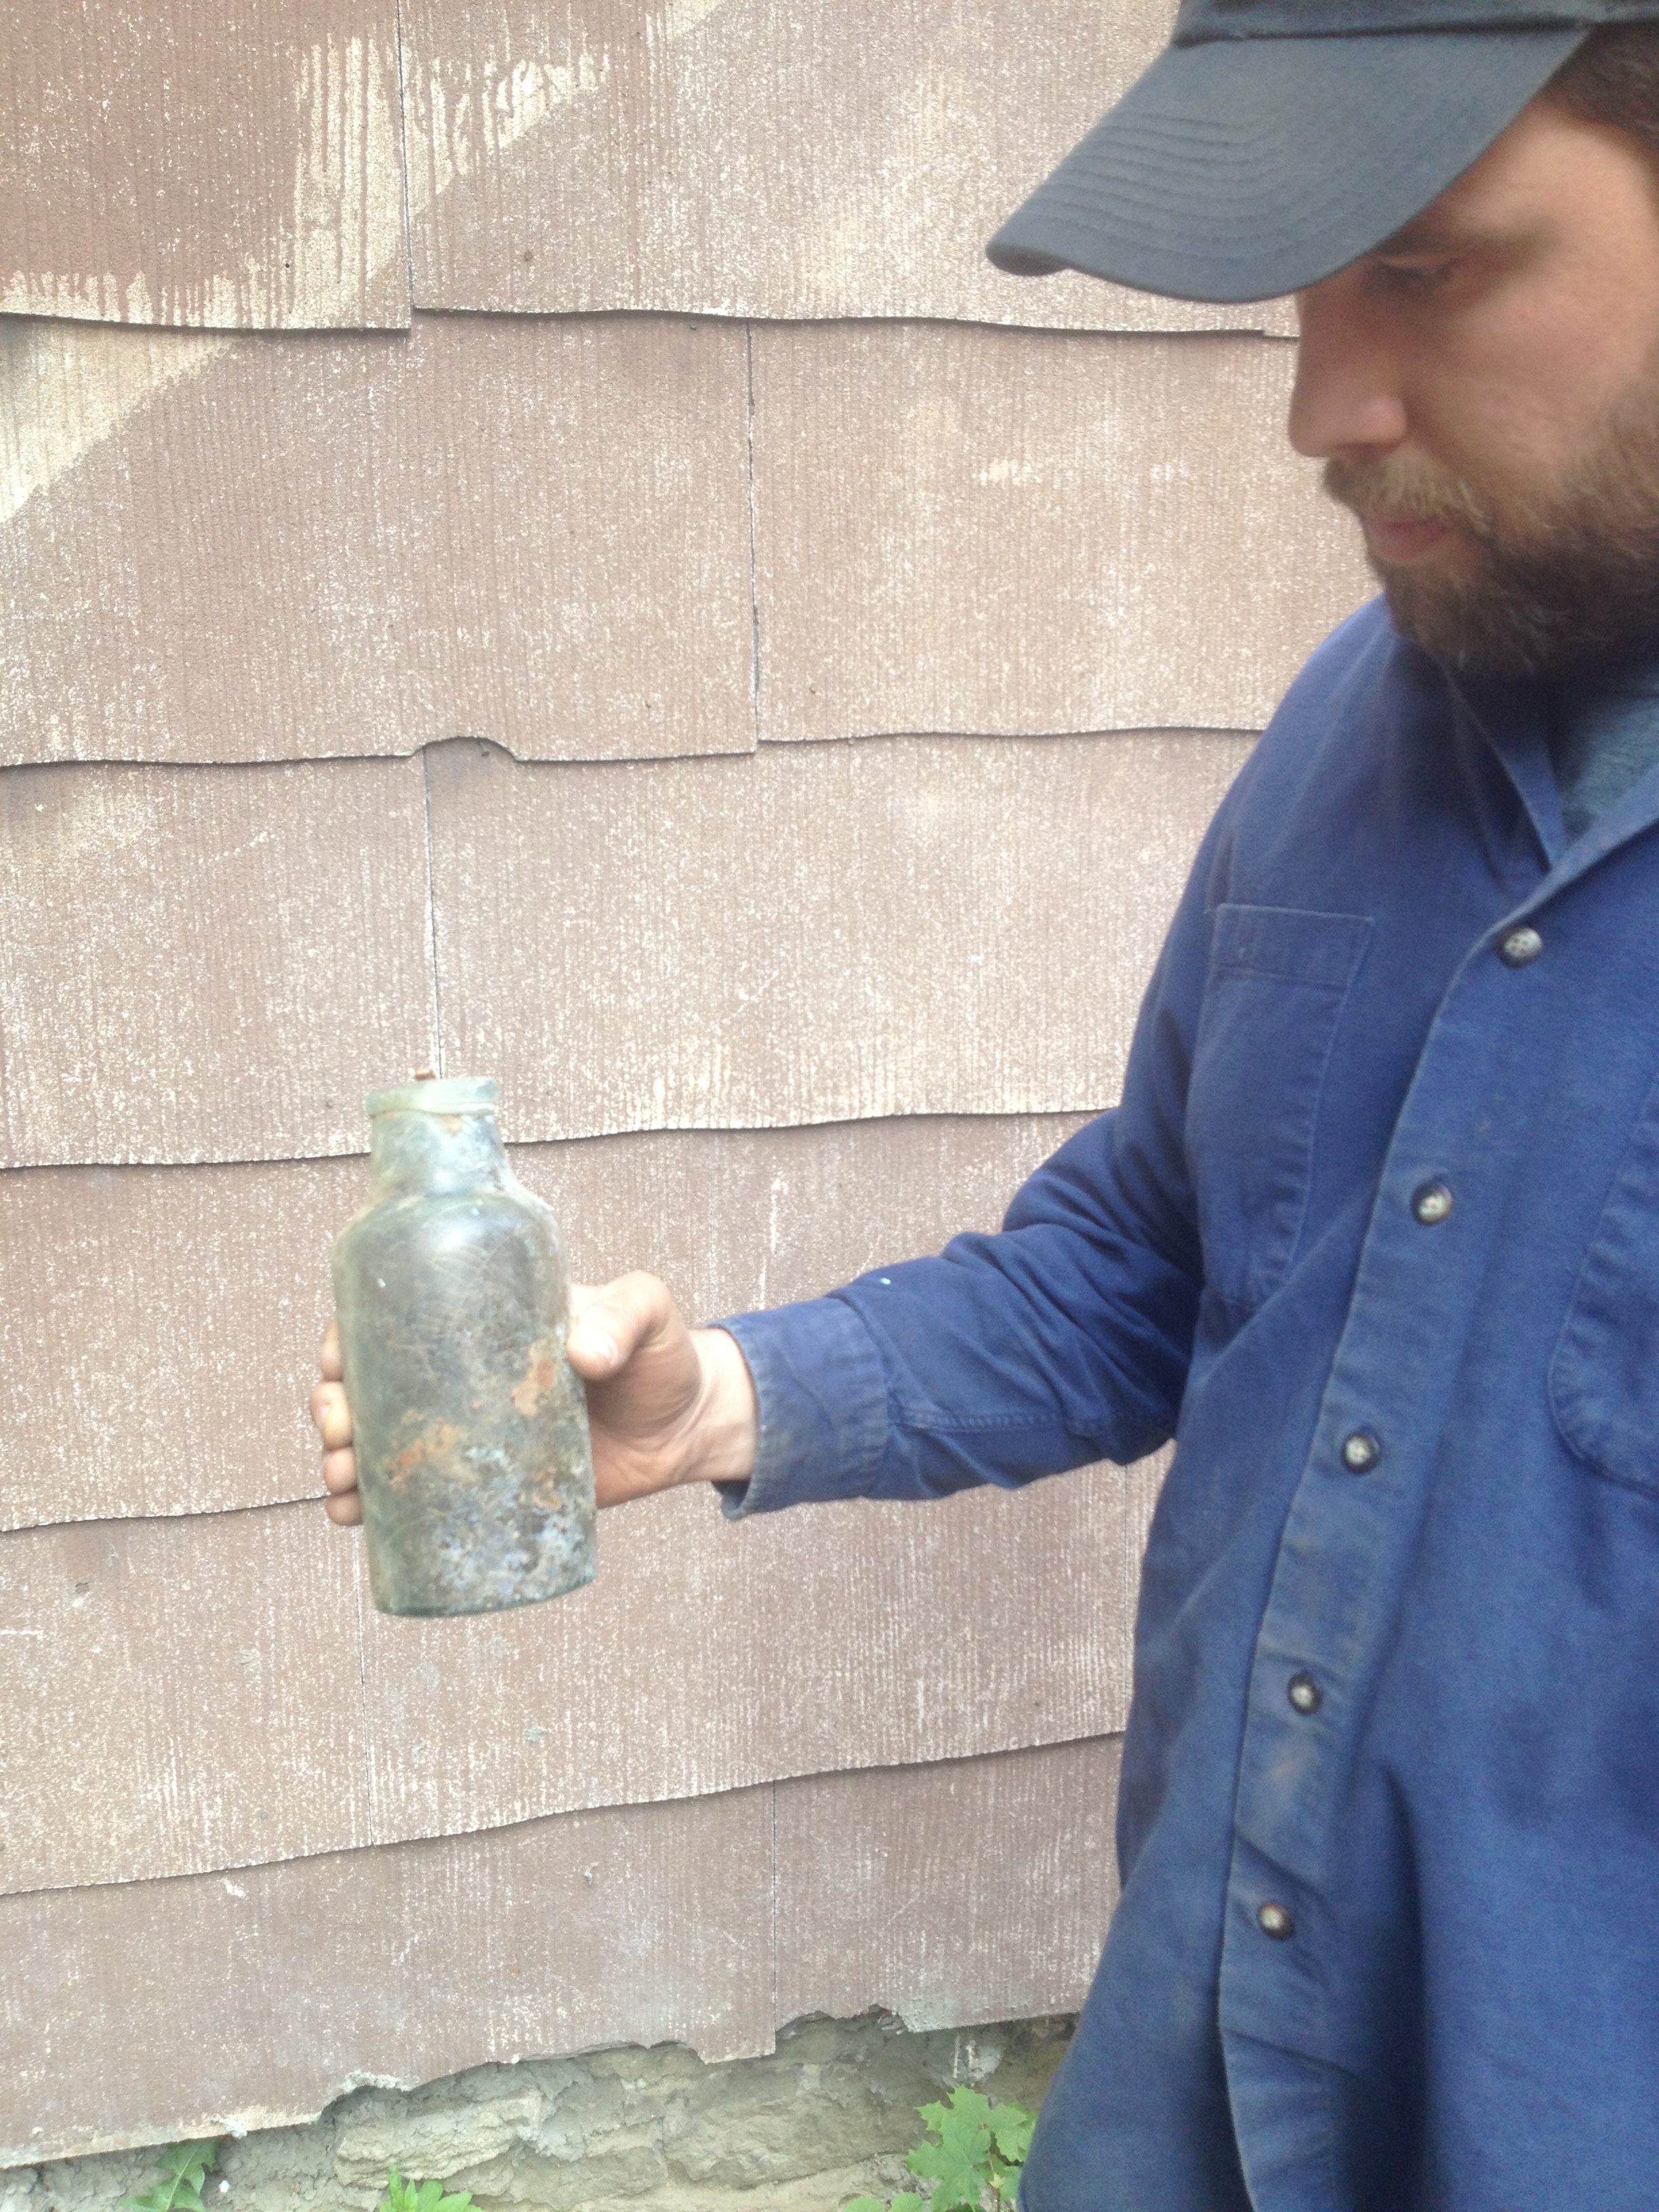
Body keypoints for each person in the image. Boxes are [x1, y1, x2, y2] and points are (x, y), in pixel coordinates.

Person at [313, 5, 1659, 2205]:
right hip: (1199, 2103)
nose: (1324, 405)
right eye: (1297, 290)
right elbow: (1150, 1261)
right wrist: (722, 1400)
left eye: (1421, 265)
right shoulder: (1357, 720)